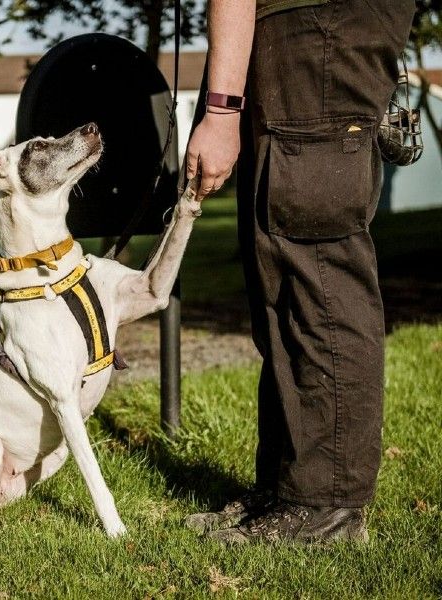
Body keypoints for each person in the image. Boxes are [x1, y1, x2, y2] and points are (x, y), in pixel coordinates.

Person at [182, 0, 417, 544]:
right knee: (282, 278)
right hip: (306, 31)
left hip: (318, 31)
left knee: (316, 272)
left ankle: (324, 505)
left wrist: (220, 111)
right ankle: (288, 489)